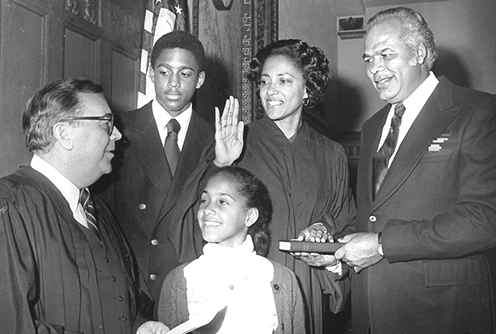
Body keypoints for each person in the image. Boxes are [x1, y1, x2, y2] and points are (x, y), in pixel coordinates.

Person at [332, 7, 496, 334]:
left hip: (442, 313)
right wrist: (334, 248)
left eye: (385, 54)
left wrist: (380, 245)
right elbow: (372, 215)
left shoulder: (478, 111)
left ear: (419, 52)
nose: (374, 69)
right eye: (368, 59)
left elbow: (484, 220)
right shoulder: (372, 126)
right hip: (371, 313)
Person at [210, 39, 356, 334]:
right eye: (265, 82)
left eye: (284, 80)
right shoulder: (239, 142)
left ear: (307, 89)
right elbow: (208, 216)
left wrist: (322, 227)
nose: (271, 91)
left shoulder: (331, 152)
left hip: (307, 287)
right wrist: (222, 165)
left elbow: (346, 220)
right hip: (247, 290)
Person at [0, 78, 139, 333]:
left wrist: (140, 326)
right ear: (64, 134)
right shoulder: (9, 207)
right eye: (107, 124)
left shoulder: (98, 210)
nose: (118, 135)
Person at [97, 30, 215, 316]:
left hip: (193, 289)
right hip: (132, 289)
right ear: (151, 73)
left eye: (185, 74)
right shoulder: (118, 131)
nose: (173, 84)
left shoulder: (216, 139)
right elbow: (100, 214)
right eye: (164, 72)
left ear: (199, 79)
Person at [138, 166, 305, 334]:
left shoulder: (281, 279)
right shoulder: (179, 281)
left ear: (250, 217)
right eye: (204, 200)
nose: (207, 210)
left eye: (222, 202)